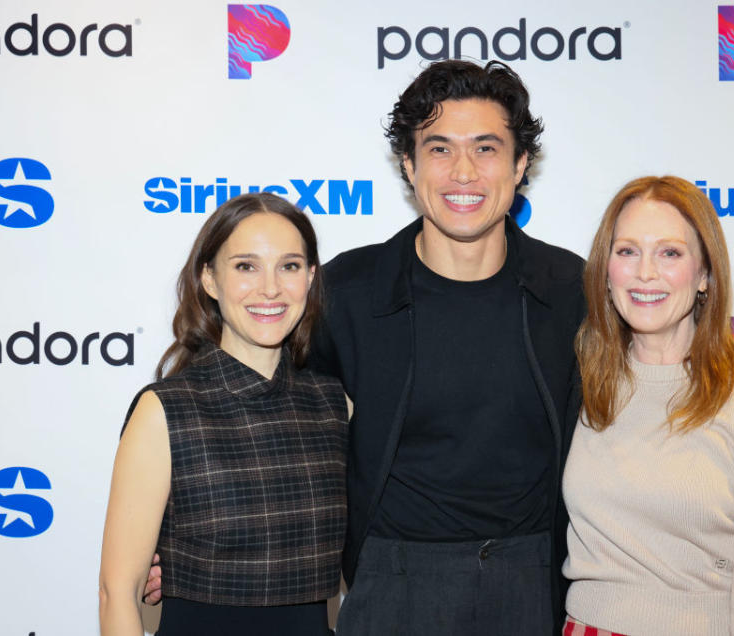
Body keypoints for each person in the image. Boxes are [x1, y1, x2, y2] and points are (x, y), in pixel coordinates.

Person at [143, 60, 585, 635]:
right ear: (409, 164)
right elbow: (251, 397)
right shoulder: (349, 291)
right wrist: (172, 529)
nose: (463, 172)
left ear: (520, 164)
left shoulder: (572, 289)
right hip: (389, 580)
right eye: (440, 149)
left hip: (530, 583)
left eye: (486, 149)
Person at [563, 176, 734, 635]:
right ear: (606, 270)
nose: (646, 273)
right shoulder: (582, 384)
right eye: (627, 251)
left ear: (704, 275)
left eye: (670, 253)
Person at [99, 193, 347, 635]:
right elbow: (118, 592)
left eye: (289, 266)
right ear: (209, 279)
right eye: (246, 266)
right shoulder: (165, 410)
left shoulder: (335, 405)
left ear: (310, 278)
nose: (270, 288)